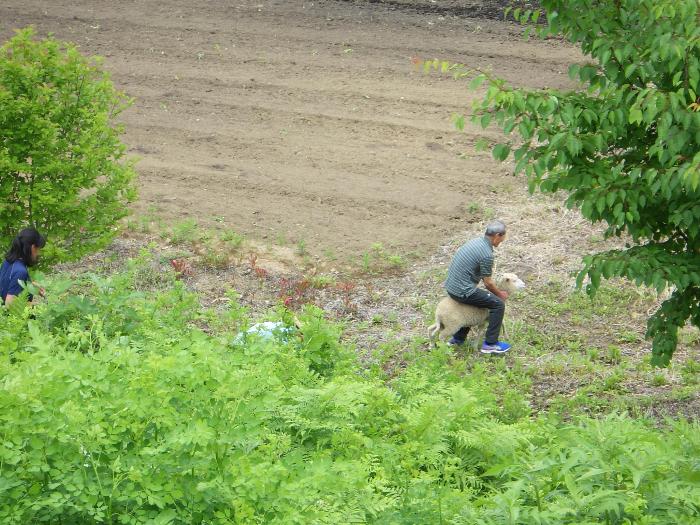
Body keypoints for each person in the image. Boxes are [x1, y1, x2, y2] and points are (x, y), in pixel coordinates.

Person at [444, 220, 511, 353]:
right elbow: (488, 283)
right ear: (497, 235)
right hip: (462, 291)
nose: (501, 242)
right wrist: (500, 294)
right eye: (502, 239)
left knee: (475, 303)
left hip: (451, 287)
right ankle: (490, 344)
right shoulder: (487, 254)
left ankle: (458, 339)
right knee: (497, 304)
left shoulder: (475, 242)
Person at [0, 227, 46, 306]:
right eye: (38, 249)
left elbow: (9, 282)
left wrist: (32, 286)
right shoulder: (21, 271)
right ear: (32, 248)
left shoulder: (8, 262)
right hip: (14, 317)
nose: (38, 253)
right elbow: (9, 303)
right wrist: (37, 306)